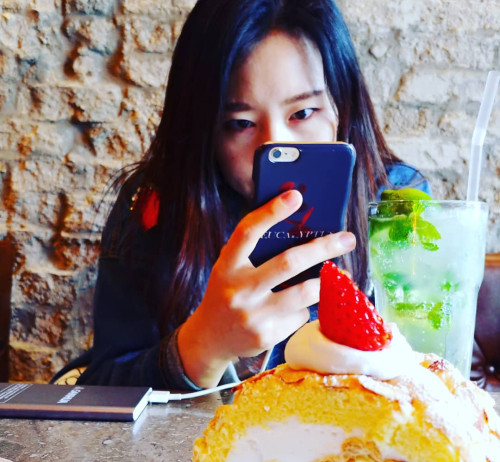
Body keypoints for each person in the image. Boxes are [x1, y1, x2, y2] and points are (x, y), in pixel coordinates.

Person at [52, 0, 430, 389]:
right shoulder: (155, 207)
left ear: (342, 105)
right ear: (204, 130)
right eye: (240, 123)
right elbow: (103, 387)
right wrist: (203, 345)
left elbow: (424, 370)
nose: (276, 145)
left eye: (302, 113)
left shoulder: (395, 200)